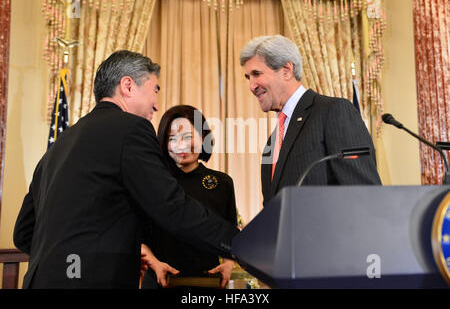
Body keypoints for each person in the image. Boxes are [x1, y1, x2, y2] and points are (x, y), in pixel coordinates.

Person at [13, 50, 239, 289]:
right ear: (128, 86)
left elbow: (24, 233)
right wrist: (245, 246)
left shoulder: (61, 143)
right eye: (155, 89)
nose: (157, 104)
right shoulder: (132, 129)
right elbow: (172, 206)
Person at [240, 35, 382, 205]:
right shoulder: (273, 141)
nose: (252, 86)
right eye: (248, 77)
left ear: (286, 70)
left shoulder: (333, 111)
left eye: (257, 74)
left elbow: (365, 194)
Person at [141, 105, 237, 289]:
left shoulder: (222, 183)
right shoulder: (151, 182)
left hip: (206, 283)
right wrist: (154, 263)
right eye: (172, 138)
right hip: (160, 281)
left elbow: (230, 232)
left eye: (188, 137)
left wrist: (228, 263)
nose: (181, 145)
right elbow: (138, 235)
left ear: (203, 138)